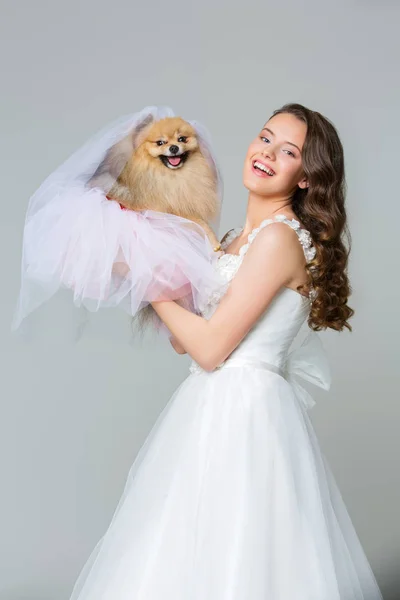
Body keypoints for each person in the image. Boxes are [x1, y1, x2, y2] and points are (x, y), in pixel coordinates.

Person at [69, 104, 384, 599]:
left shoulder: (279, 239)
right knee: (191, 545)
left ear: (305, 178)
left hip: (247, 414)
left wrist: (152, 283)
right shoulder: (234, 241)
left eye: (289, 152)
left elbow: (212, 349)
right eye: (265, 138)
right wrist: (142, 263)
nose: (267, 154)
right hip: (209, 407)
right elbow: (185, 342)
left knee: (240, 550)